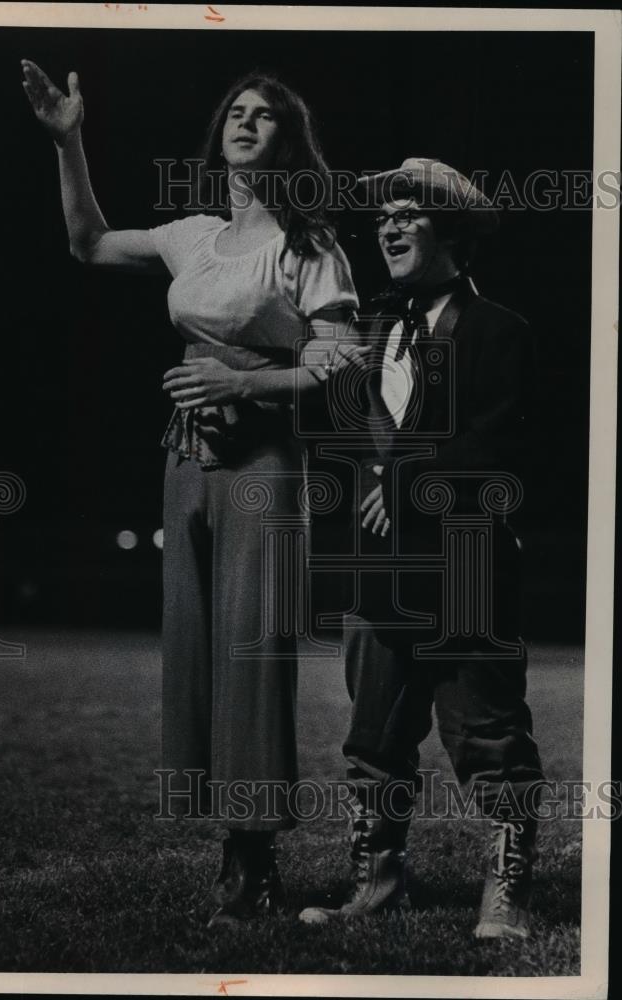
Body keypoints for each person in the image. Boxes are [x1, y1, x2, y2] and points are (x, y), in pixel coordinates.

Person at [21, 61, 359, 927]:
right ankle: (230, 837)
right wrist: (69, 141)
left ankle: (255, 858)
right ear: (222, 136)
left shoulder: (308, 244)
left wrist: (241, 385)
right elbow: (88, 243)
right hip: (184, 464)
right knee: (197, 652)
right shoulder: (194, 235)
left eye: (267, 117)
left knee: (253, 657)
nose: (247, 124)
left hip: (265, 473)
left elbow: (337, 364)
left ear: (290, 141)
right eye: (237, 114)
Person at [299, 158, 544, 939]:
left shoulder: (504, 331)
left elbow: (498, 449)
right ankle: (375, 884)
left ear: (455, 230)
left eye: (410, 213)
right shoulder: (364, 324)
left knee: (489, 739)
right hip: (377, 575)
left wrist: (404, 486)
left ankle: (505, 899)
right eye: (384, 218)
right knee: (374, 741)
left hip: (466, 566)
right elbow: (337, 429)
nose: (390, 227)